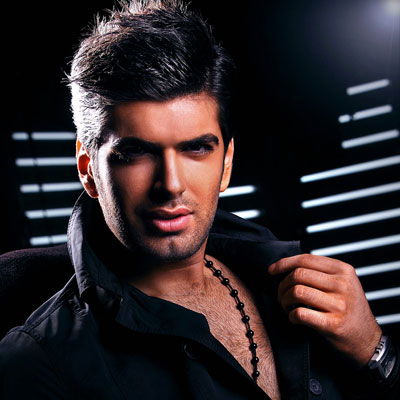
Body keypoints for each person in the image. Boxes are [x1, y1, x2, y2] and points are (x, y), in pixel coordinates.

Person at [0, 1, 398, 398]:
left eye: (196, 149)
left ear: (226, 163)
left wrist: (374, 350)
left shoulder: (288, 284)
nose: (171, 185)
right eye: (135, 153)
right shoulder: (40, 362)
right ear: (88, 169)